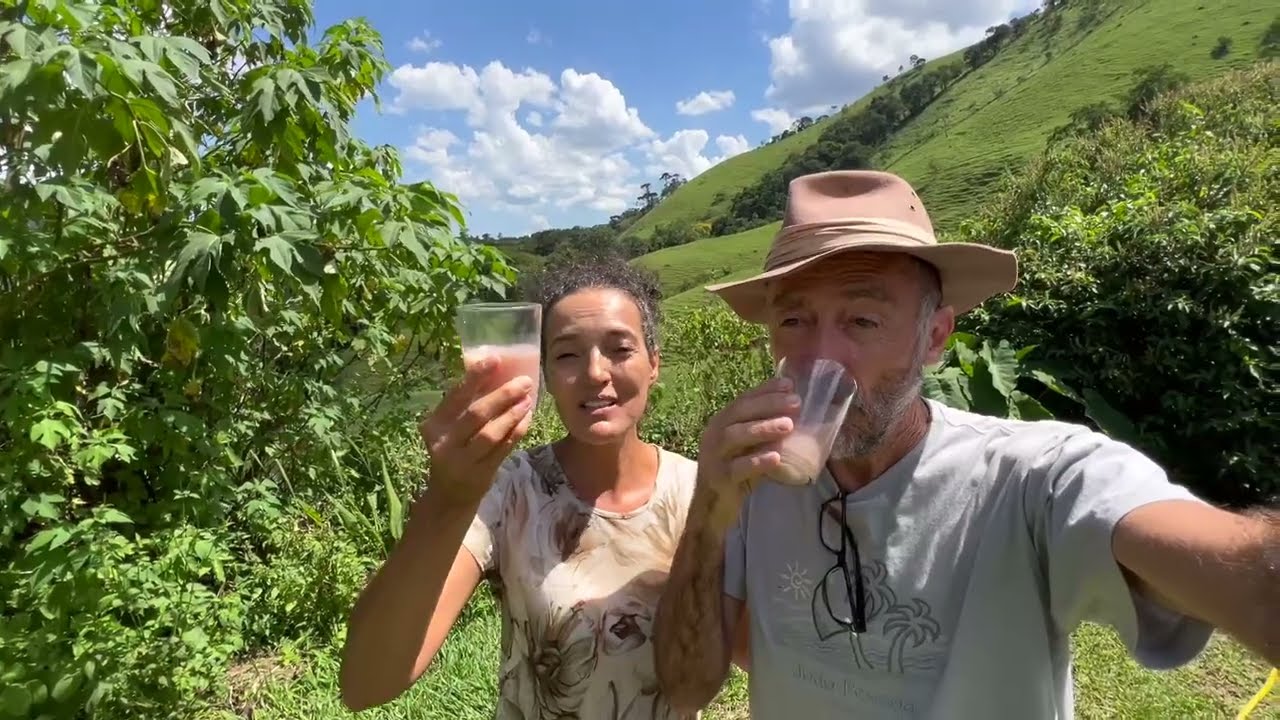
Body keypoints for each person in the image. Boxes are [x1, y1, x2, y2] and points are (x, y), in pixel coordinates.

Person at [651, 170, 1279, 718]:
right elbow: (684, 688)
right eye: (794, 320)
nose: (821, 356)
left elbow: (1240, 573)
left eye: (863, 320)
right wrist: (709, 509)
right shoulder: (751, 485)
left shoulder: (1032, 477)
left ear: (934, 337)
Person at [340, 258, 700, 720]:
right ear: (544, 372)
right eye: (567, 355)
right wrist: (447, 497)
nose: (595, 372)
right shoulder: (510, 489)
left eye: (619, 349)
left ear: (654, 364)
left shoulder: (699, 491)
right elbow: (366, 683)